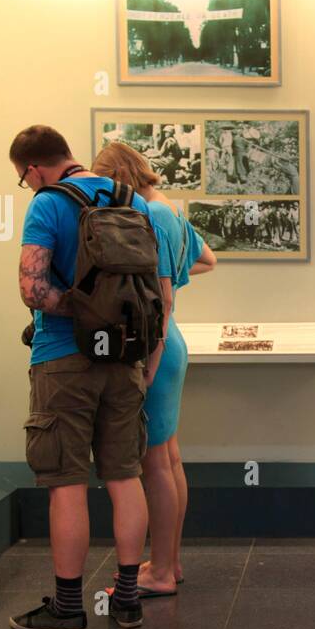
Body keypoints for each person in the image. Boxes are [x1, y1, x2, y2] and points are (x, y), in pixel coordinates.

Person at [6, 124, 174, 629]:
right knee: (125, 475)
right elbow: (154, 290)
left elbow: (32, 289)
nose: (27, 185)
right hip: (125, 358)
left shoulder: (47, 203)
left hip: (64, 360)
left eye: (23, 178)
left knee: (67, 482)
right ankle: (127, 601)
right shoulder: (132, 201)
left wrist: (79, 311)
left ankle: (67, 609)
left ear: (34, 168)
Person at [92, 142, 216, 595]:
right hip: (170, 341)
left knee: (154, 465)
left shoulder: (150, 213)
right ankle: (168, 562)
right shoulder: (171, 210)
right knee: (168, 458)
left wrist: (148, 362)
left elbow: (162, 299)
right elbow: (207, 260)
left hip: (156, 347)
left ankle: (161, 572)